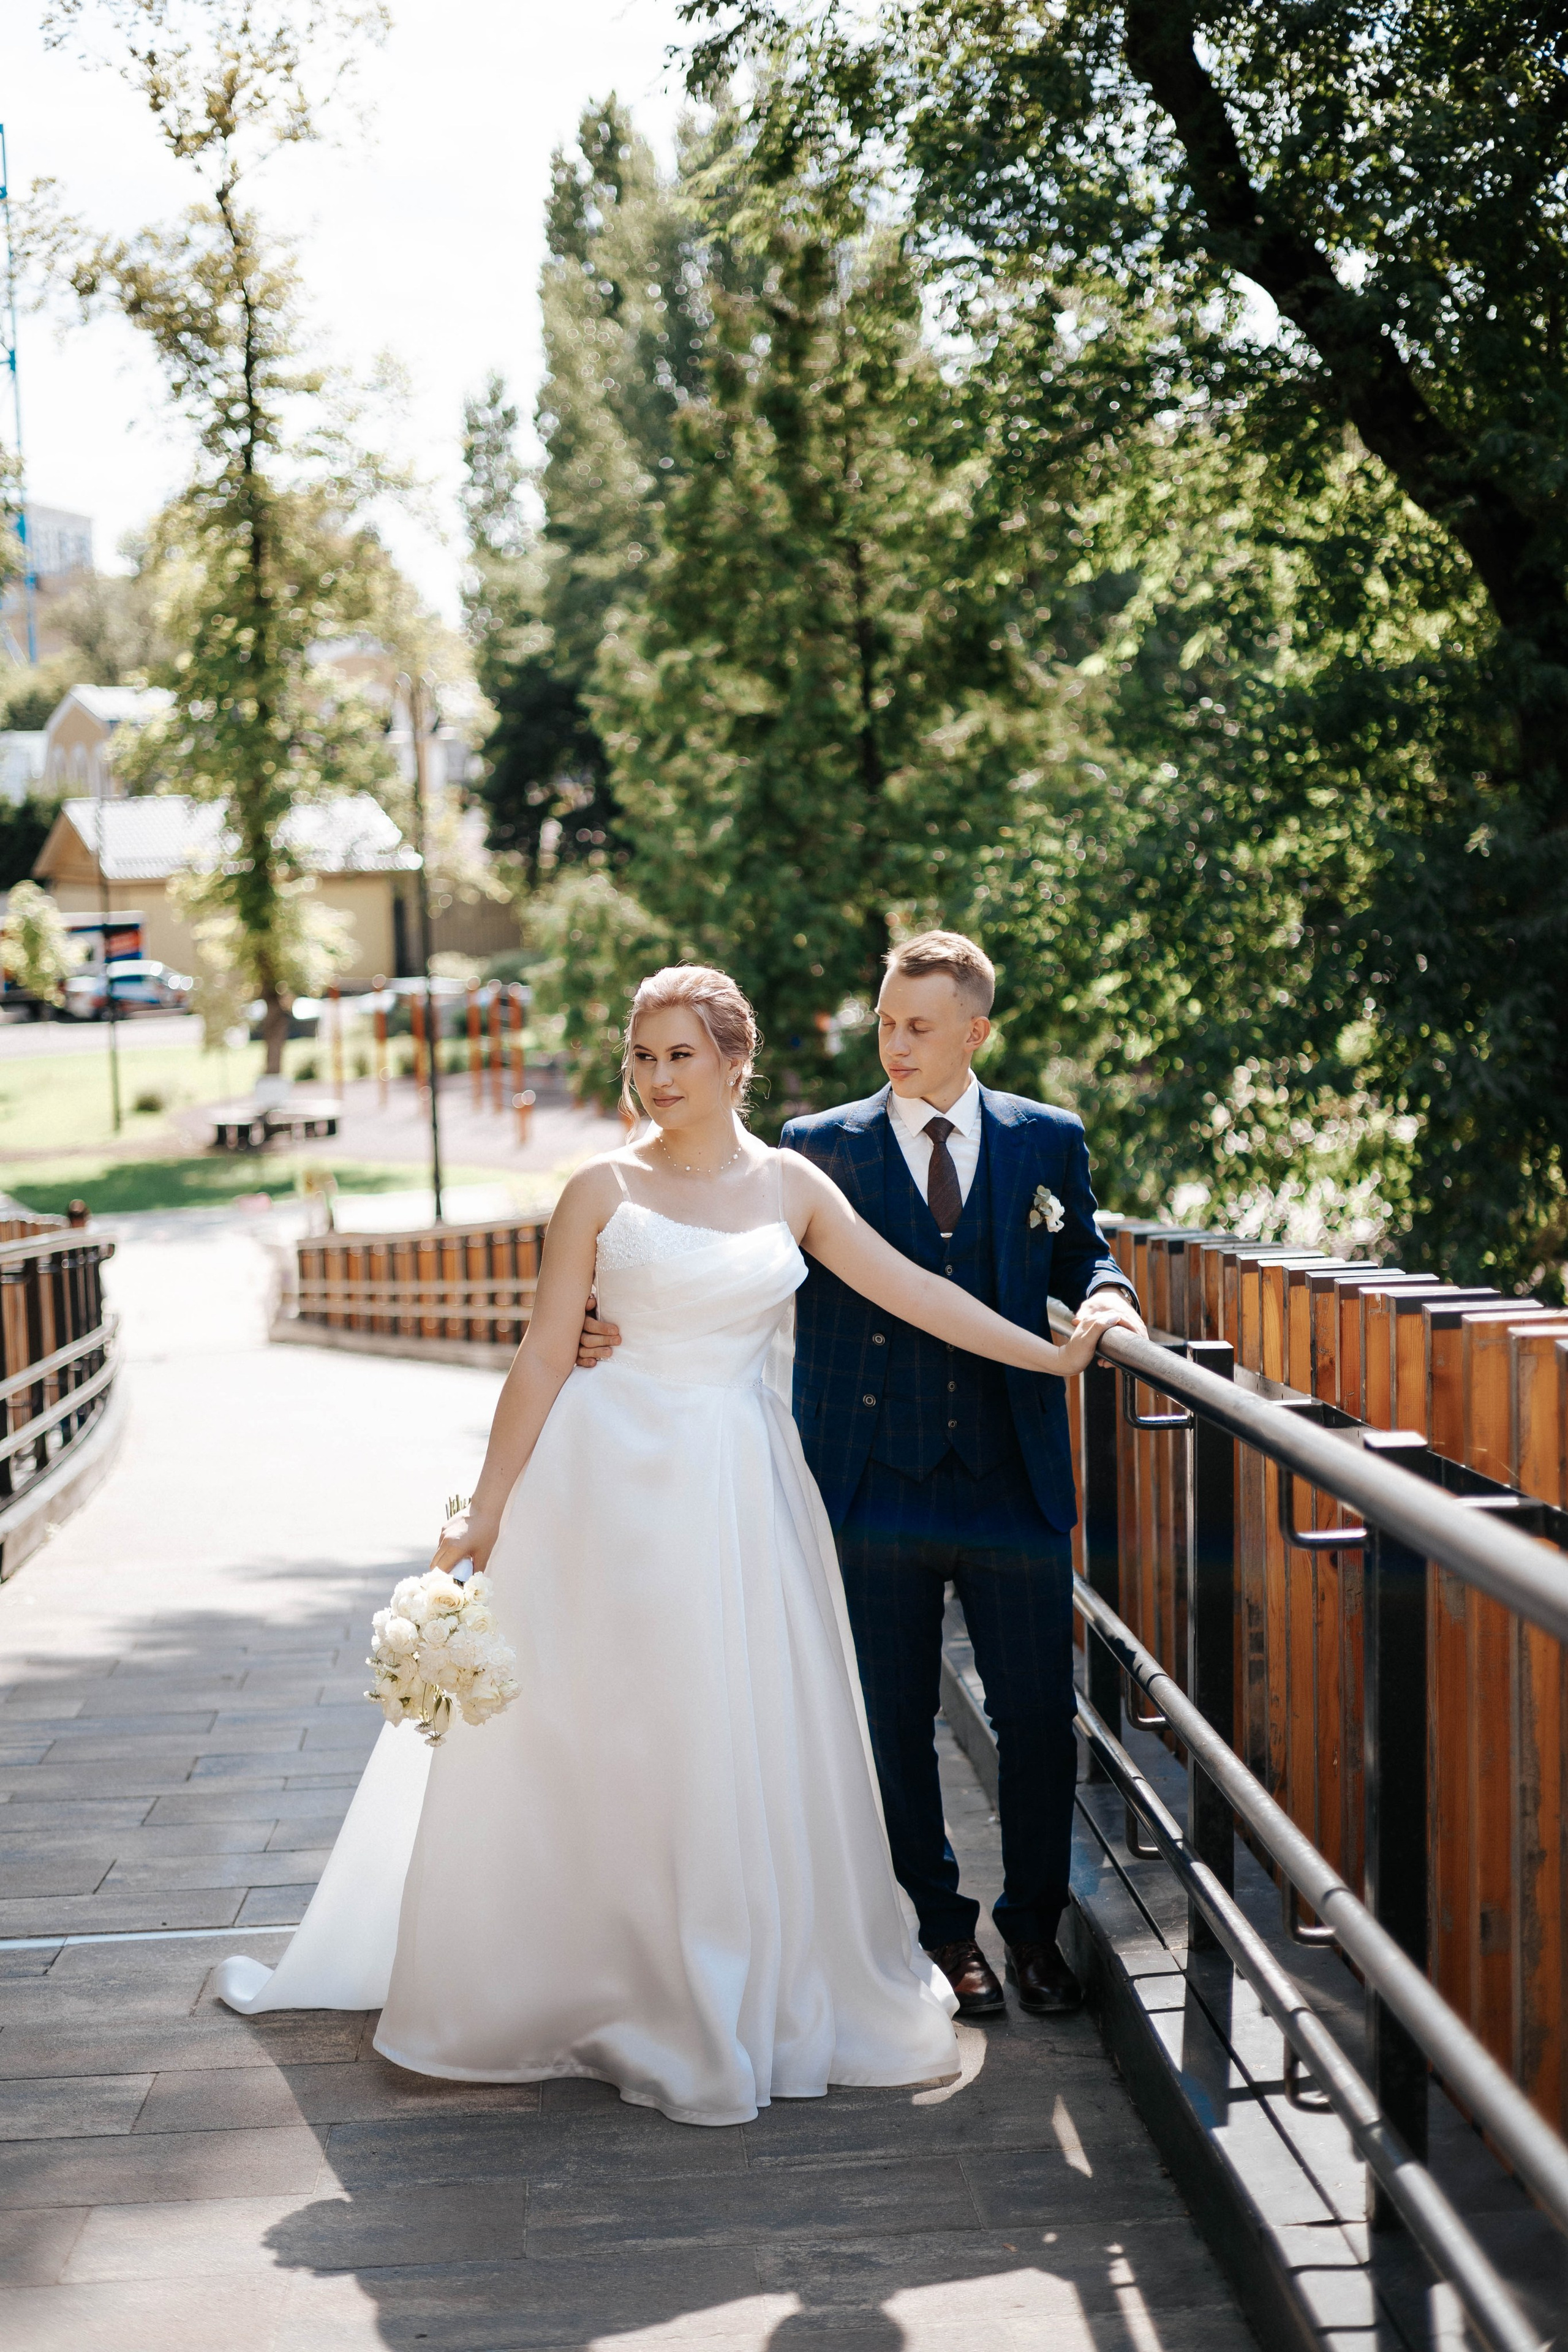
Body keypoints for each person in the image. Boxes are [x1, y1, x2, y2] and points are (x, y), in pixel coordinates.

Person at [216, 963, 1103, 2128]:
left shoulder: (794, 1185)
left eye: (680, 1055)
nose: (655, 1078)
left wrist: (1051, 1354)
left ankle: (721, 1973)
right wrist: (482, 1511)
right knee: (611, 1727)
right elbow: (542, 1356)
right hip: (603, 1481)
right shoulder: (597, 1186)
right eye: (641, 1056)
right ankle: (608, 1973)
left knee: (722, 1726)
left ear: (738, 1063)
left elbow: (910, 1291)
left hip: (741, 1485)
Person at [582, 933, 1145, 2024]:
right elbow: (724, 1250)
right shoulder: (814, 1147)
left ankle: (1033, 1929)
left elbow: (1083, 1251)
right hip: (865, 1479)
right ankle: (939, 1934)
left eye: (919, 1026)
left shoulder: (1048, 1138)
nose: (895, 1043)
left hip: (1011, 1478)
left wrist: (1108, 1299)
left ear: (974, 1031)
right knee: (888, 1722)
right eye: (885, 1021)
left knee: (1038, 1719)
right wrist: (610, 1323)